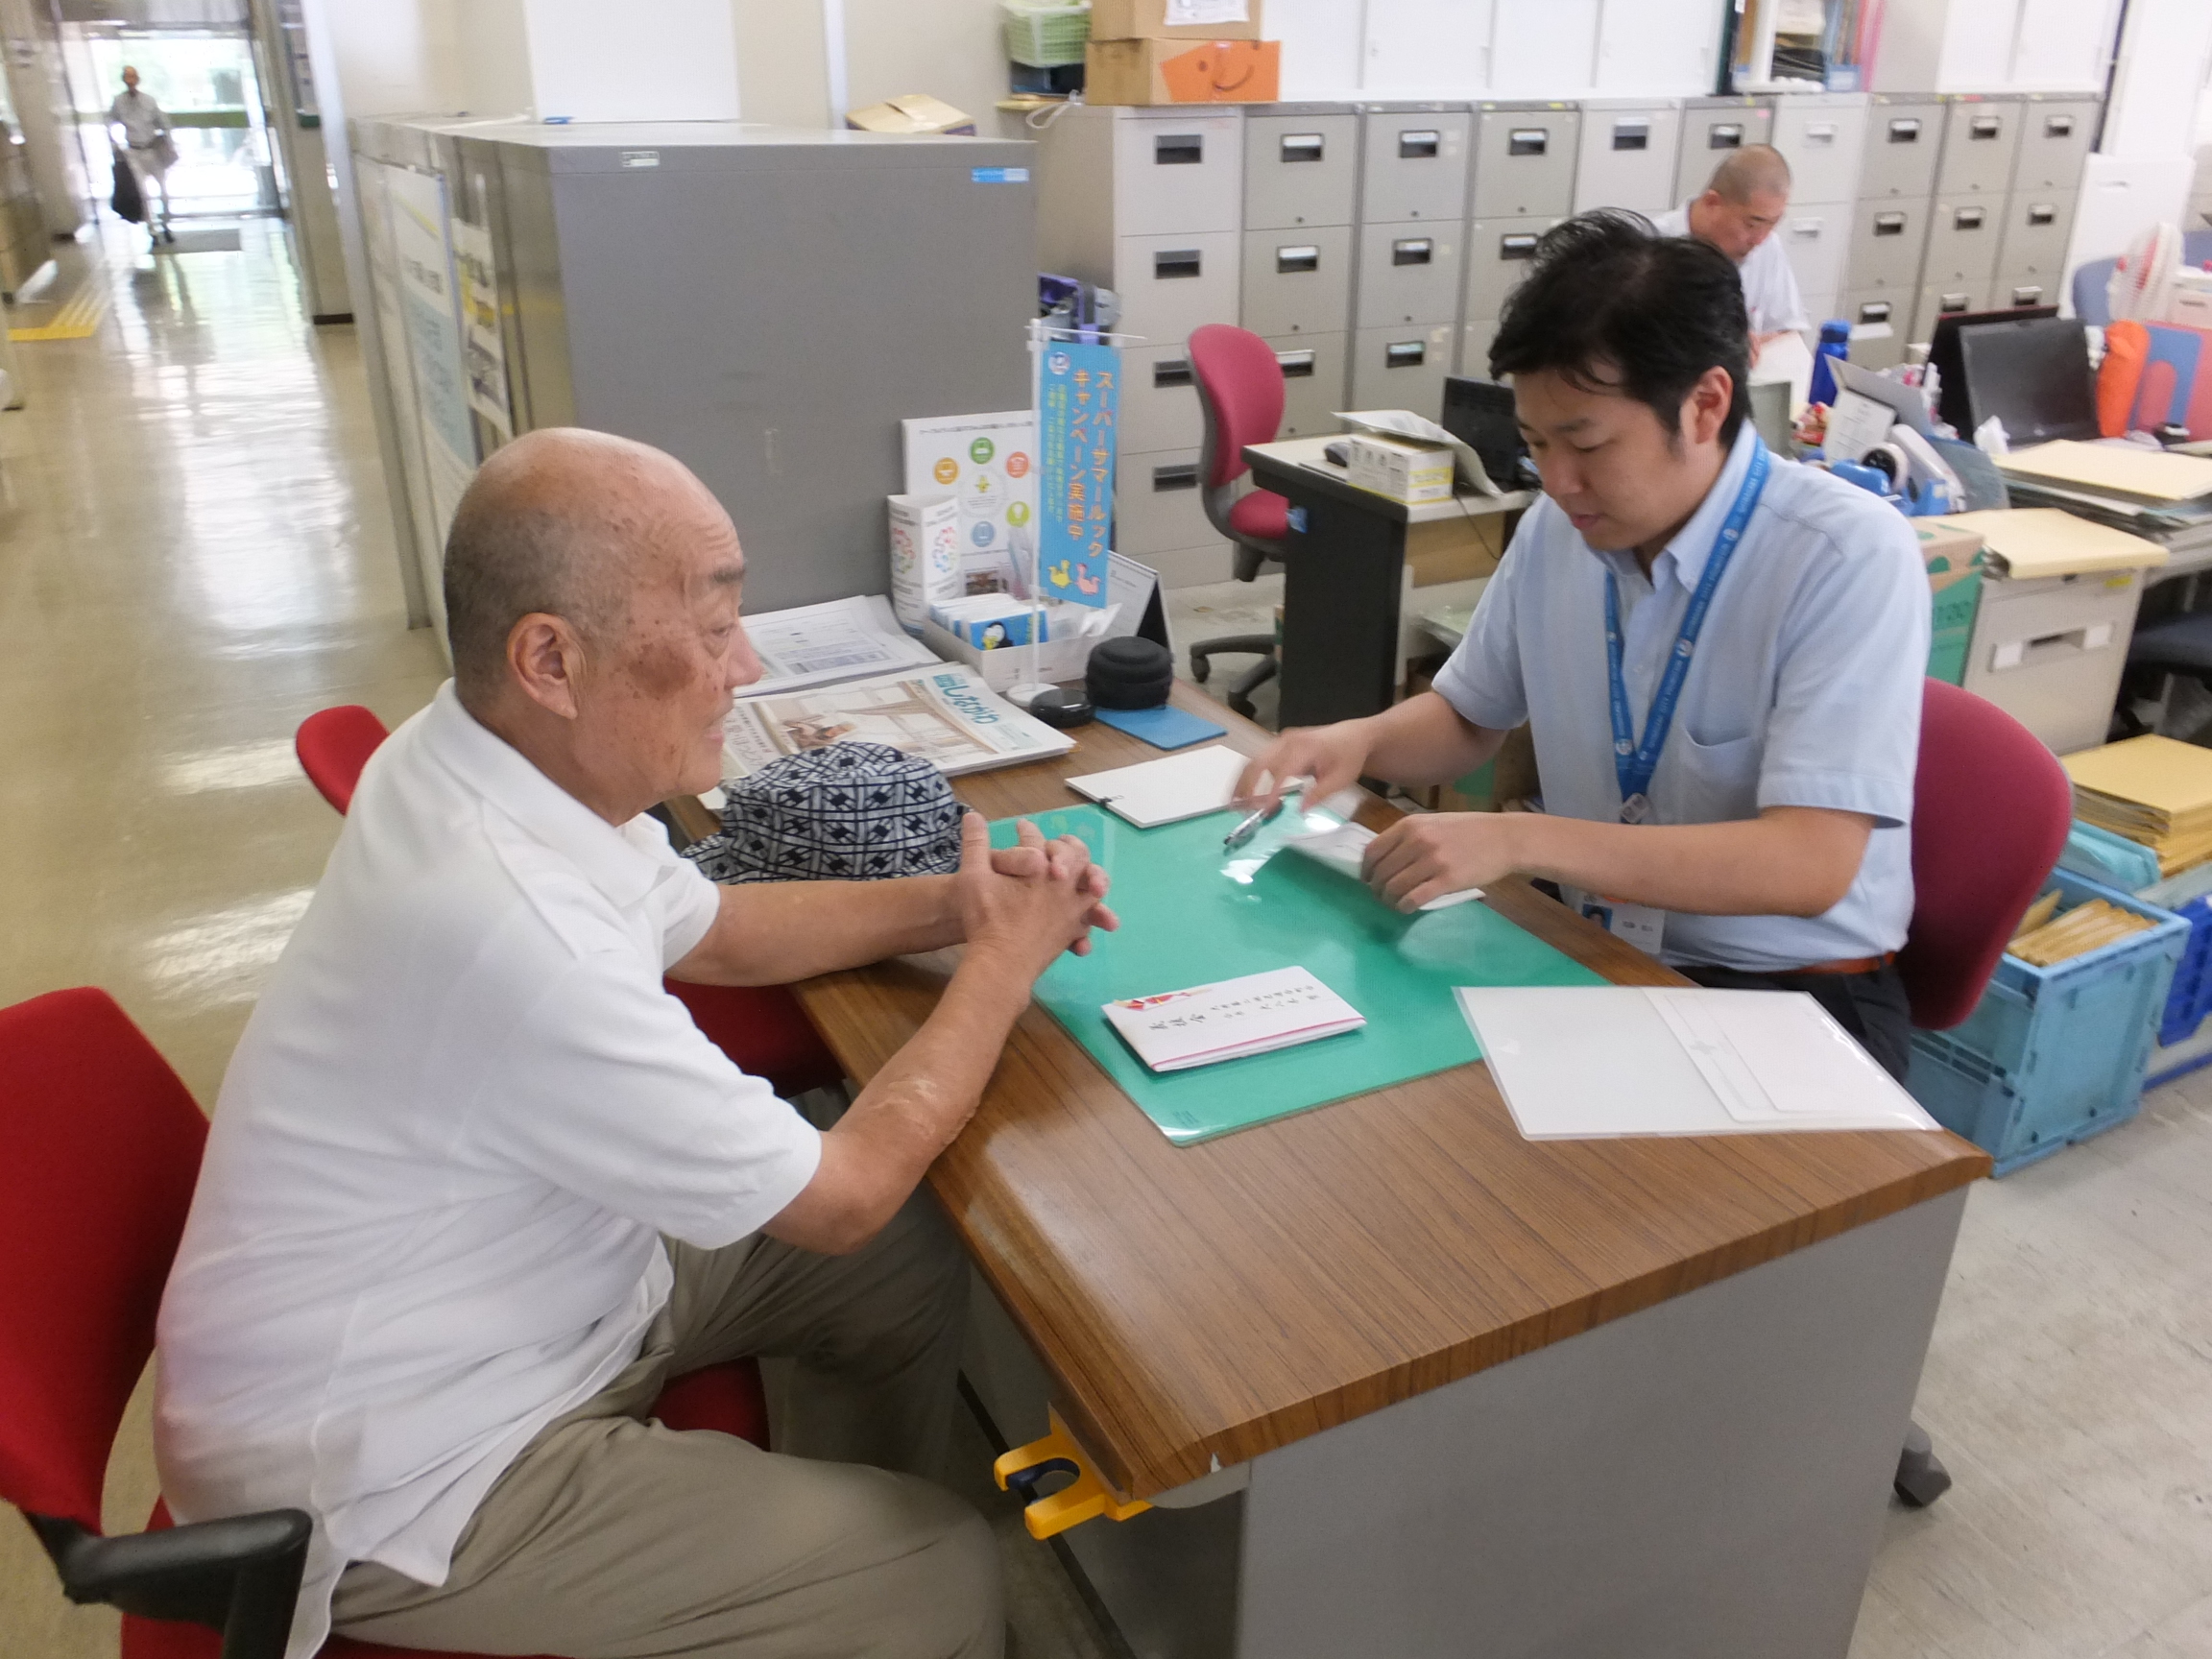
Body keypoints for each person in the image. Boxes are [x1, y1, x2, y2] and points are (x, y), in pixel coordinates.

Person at [156, 428, 1119, 1659]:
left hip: (514, 1297)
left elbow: (710, 925)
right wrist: (1000, 964)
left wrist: (961, 901)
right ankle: (883, 1577)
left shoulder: (480, 757)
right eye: (715, 630)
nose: (747, 663)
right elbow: (841, 1195)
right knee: (939, 1564)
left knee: (907, 1260)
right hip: (397, 1471)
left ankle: (814, 1583)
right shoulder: (512, 928)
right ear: (550, 658)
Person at [1235, 211, 1928, 1081]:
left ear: (1706, 404)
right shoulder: (1559, 530)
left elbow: (1809, 862)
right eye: (1534, 445)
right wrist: (1360, 741)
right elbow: (1468, 716)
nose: (1558, 481)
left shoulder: (1842, 555)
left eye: (1587, 443)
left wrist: (1524, 842)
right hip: (1593, 950)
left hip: (1784, 994)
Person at [1653, 144, 1809, 352]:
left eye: (1771, 225)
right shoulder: (1649, 246)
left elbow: (1789, 332)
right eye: (1751, 224)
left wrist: (1756, 344)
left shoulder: (1768, 247)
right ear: (1712, 203)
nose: (1759, 239)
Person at [107, 65, 174, 245]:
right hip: (134, 152)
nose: (130, 81)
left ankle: (166, 224)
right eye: (127, 77)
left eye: (133, 77)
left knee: (164, 191)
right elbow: (109, 122)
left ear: (137, 79)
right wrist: (115, 146)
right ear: (123, 79)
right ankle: (152, 231)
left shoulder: (149, 101)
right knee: (143, 195)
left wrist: (169, 144)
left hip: (151, 150)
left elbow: (164, 123)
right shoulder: (119, 101)